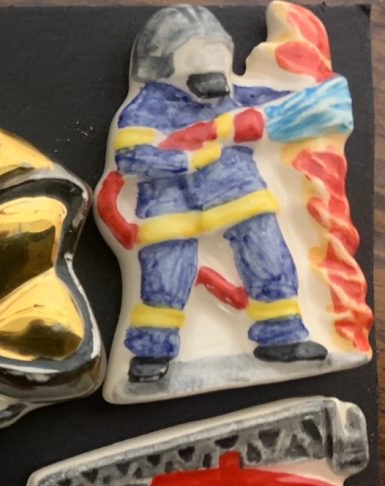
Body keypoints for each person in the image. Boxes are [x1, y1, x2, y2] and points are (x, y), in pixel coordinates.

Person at [98, 6, 351, 383]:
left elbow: (281, 105)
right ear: (165, 60)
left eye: (216, 52)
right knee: (166, 275)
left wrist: (310, 101)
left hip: (238, 192)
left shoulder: (233, 96)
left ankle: (281, 335)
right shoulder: (146, 108)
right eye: (197, 54)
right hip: (171, 206)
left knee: (268, 254)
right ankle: (153, 349)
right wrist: (186, 159)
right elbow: (131, 158)